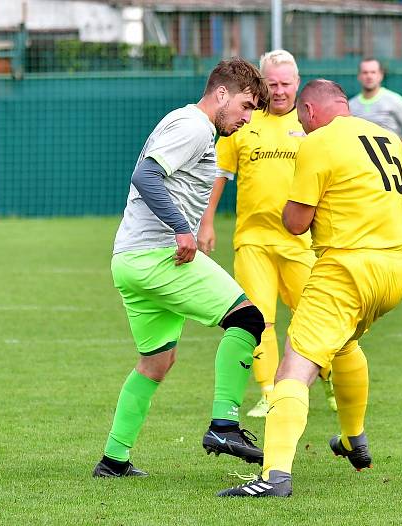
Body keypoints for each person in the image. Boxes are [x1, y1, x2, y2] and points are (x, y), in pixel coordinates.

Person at [217, 79, 402, 497]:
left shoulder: (318, 142)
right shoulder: (386, 138)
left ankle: (274, 476)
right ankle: (353, 439)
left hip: (345, 271)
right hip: (392, 273)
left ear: (310, 112)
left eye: (302, 118)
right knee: (343, 345)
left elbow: (295, 223)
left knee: (294, 366)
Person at [92, 57, 271, 478]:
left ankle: (113, 460)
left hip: (131, 260)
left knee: (156, 362)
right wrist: (182, 229)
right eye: (245, 106)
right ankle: (224, 425)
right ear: (221, 93)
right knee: (248, 318)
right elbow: (146, 175)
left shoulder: (192, 125)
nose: (246, 118)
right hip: (158, 256)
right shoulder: (193, 126)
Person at [198, 49, 336, 418]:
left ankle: (331, 380)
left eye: (285, 83)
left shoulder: (311, 125)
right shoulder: (244, 122)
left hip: (302, 241)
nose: (277, 91)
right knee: (261, 318)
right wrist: (206, 221)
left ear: (297, 83)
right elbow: (220, 175)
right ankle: (269, 391)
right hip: (253, 240)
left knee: (317, 315)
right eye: (270, 83)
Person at [349, 58, 402, 283]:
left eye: (373, 72)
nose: (369, 76)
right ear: (359, 76)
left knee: (396, 214)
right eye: (365, 72)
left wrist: (391, 151)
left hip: (392, 170)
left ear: (381, 75)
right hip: (362, 172)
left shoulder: (393, 101)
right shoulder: (351, 106)